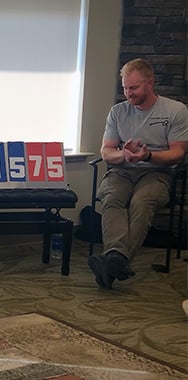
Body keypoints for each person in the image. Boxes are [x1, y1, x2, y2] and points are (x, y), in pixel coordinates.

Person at [88, 58, 188, 289]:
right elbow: (106, 151)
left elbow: (177, 154)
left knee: (142, 202)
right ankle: (116, 259)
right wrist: (124, 155)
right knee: (111, 198)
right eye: (125, 88)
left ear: (150, 83)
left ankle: (113, 260)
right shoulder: (117, 112)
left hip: (157, 172)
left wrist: (147, 156)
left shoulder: (175, 111)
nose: (128, 94)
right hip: (122, 171)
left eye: (134, 88)